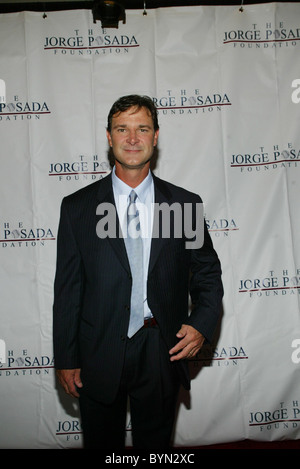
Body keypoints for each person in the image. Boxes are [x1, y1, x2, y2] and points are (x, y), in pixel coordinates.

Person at [53, 94, 223, 450]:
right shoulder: (77, 208)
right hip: (97, 348)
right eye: (122, 129)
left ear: (156, 136)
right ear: (109, 136)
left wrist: (202, 322)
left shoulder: (184, 205)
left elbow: (207, 275)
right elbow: (68, 290)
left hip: (161, 348)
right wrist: (67, 358)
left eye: (142, 128)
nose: (132, 138)